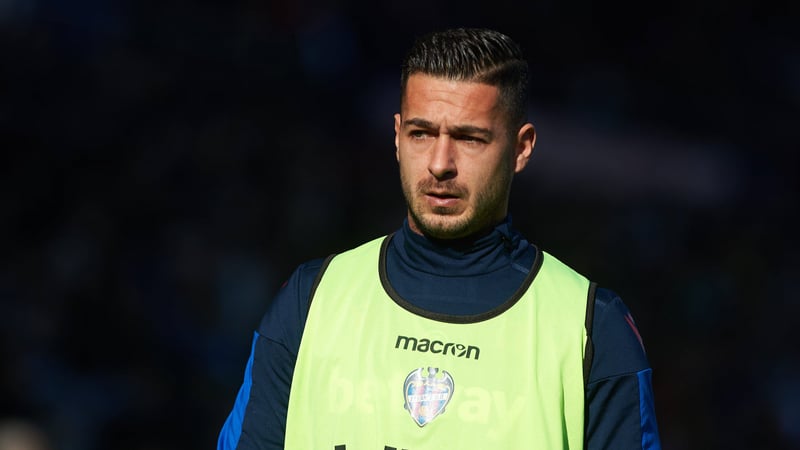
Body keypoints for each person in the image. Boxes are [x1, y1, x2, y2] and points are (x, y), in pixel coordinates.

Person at [217, 27, 661, 449]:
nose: (439, 163)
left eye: (469, 138)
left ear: (521, 148)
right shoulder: (310, 300)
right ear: (397, 137)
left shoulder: (590, 327)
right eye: (421, 134)